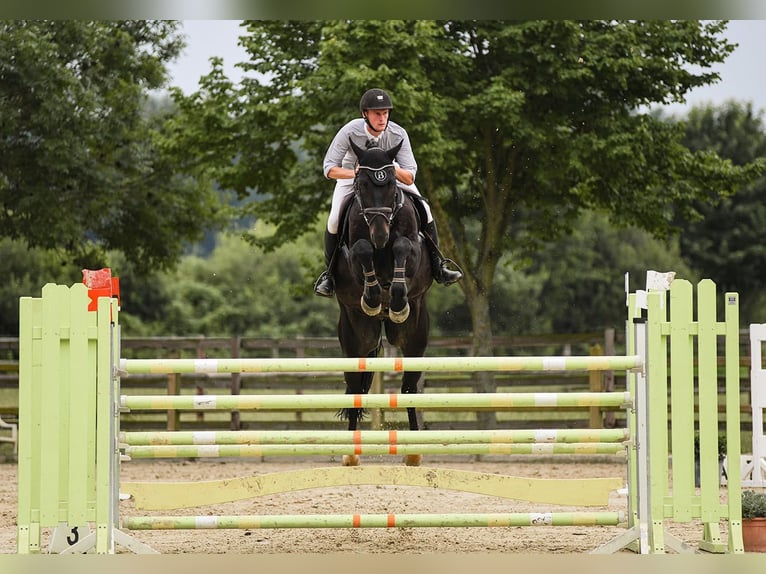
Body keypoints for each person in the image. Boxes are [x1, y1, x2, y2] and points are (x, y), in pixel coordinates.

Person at [314, 88, 463, 297]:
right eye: (377, 113)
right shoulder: (349, 132)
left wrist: (387, 169)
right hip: (355, 179)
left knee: (426, 209)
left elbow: (410, 175)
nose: (382, 118)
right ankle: (329, 276)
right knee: (333, 220)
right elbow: (329, 168)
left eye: (385, 113)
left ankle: (439, 267)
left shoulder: (398, 133)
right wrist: (355, 172)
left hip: (389, 180)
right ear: (364, 114)